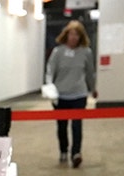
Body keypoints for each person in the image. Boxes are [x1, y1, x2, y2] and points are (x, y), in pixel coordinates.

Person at [45, 20, 97, 168]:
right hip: (60, 95)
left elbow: (89, 73)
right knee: (62, 126)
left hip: (79, 94)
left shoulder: (86, 52)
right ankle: (63, 150)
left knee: (76, 125)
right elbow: (50, 71)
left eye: (77, 35)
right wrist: (50, 88)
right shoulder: (58, 52)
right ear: (66, 35)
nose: (74, 38)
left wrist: (93, 89)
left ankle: (76, 153)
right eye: (71, 34)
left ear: (81, 37)